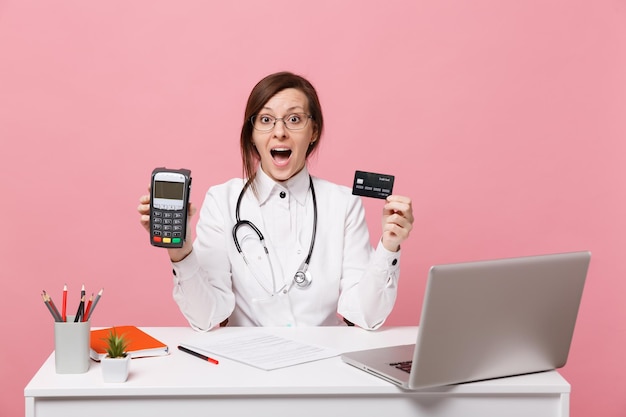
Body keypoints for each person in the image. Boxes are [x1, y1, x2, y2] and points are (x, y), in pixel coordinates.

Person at [137, 71, 414, 331]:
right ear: (253, 134)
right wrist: (180, 252)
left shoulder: (342, 203)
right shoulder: (222, 200)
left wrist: (388, 247)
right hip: (249, 369)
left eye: (294, 120)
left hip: (324, 368)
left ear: (313, 131)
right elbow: (207, 317)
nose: (279, 132)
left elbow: (365, 316)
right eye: (266, 120)